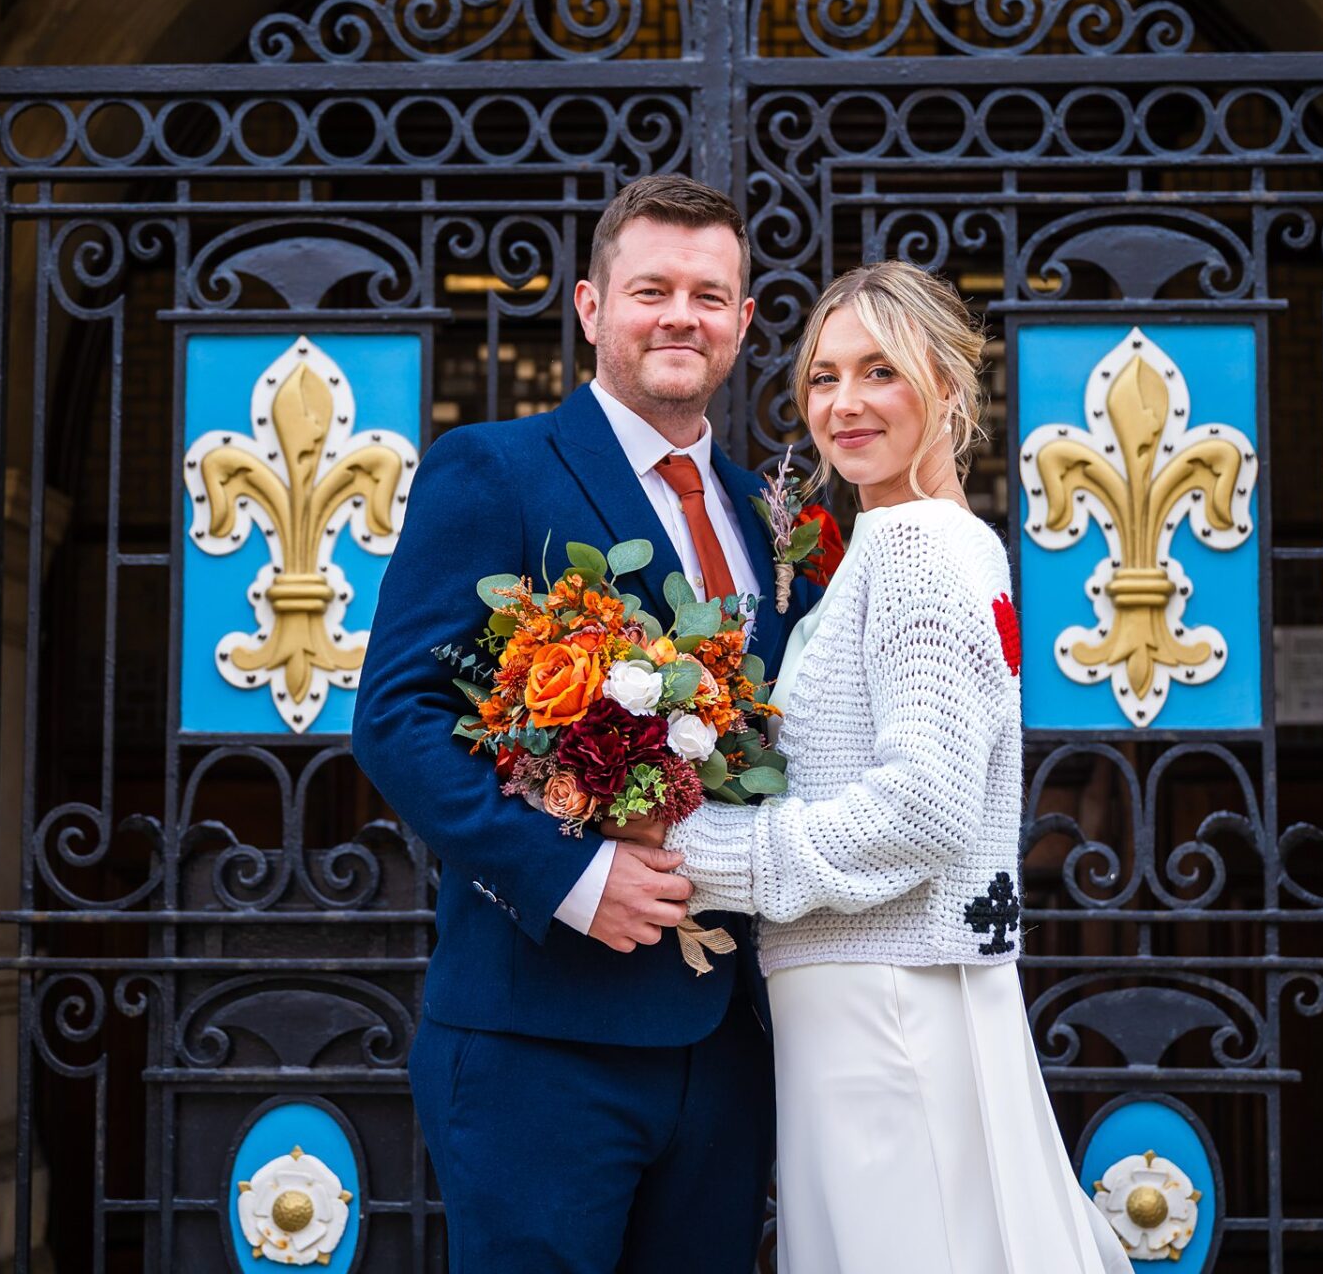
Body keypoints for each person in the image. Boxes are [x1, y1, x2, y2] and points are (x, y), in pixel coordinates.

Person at [609, 261, 1135, 1273]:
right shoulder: (926, 541)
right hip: (876, 991)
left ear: (944, 384)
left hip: (886, 1001)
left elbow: (922, 808)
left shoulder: (918, 549)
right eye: (822, 377)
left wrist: (697, 851)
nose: (843, 405)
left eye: (879, 372)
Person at [353, 174, 813, 1273]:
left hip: (731, 1042)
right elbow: (398, 716)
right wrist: (570, 874)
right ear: (591, 307)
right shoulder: (495, 468)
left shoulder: (771, 513)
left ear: (743, 323)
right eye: (650, 288)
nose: (679, 316)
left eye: (709, 295)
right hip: (538, 1039)